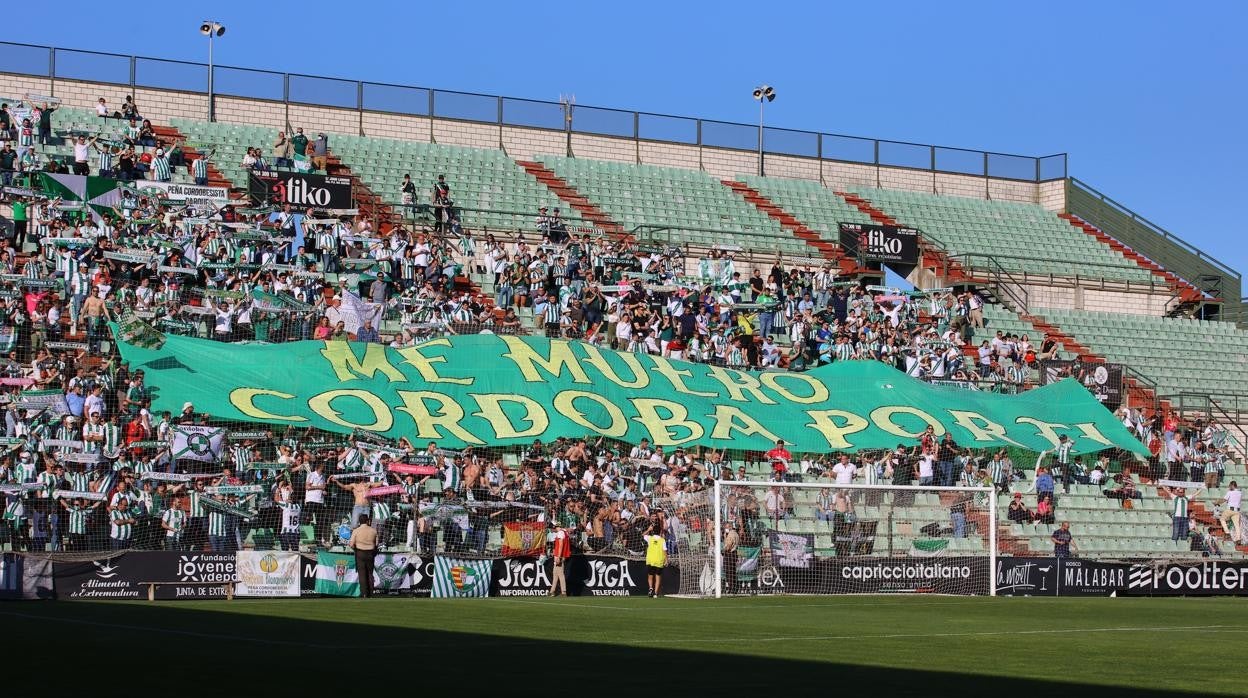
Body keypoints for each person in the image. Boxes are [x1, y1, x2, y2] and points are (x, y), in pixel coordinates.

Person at [349, 513, 378, 598]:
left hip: (360, 552)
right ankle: (371, 593)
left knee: (362, 574)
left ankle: (364, 593)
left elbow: (351, 544)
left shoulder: (356, 531)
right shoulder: (373, 531)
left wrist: (355, 549)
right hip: (370, 553)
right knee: (370, 573)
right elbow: (376, 543)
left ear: (359, 521)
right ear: (367, 521)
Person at [644, 520, 667, 598]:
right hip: (659, 561)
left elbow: (643, 535)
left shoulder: (650, 538)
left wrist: (648, 530)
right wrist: (666, 560)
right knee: (658, 577)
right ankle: (656, 593)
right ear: (660, 531)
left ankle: (651, 588)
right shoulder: (662, 540)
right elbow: (665, 551)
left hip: (650, 560)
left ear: (653, 531)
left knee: (650, 576)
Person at [548, 523, 572, 597]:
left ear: (554, 527)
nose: (551, 530)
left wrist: (558, 556)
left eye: (551, 528)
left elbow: (561, 545)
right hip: (561, 555)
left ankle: (563, 592)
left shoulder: (560, 533)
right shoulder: (564, 532)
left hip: (559, 556)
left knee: (560, 574)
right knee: (555, 574)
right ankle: (552, 591)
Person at [722, 521, 740, 594]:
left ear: (730, 527)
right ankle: (734, 588)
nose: (725, 528)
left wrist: (724, 550)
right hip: (734, 554)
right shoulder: (735, 533)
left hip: (729, 554)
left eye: (726, 527)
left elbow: (729, 545)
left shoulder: (731, 534)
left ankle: (732, 588)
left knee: (729, 572)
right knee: (733, 572)